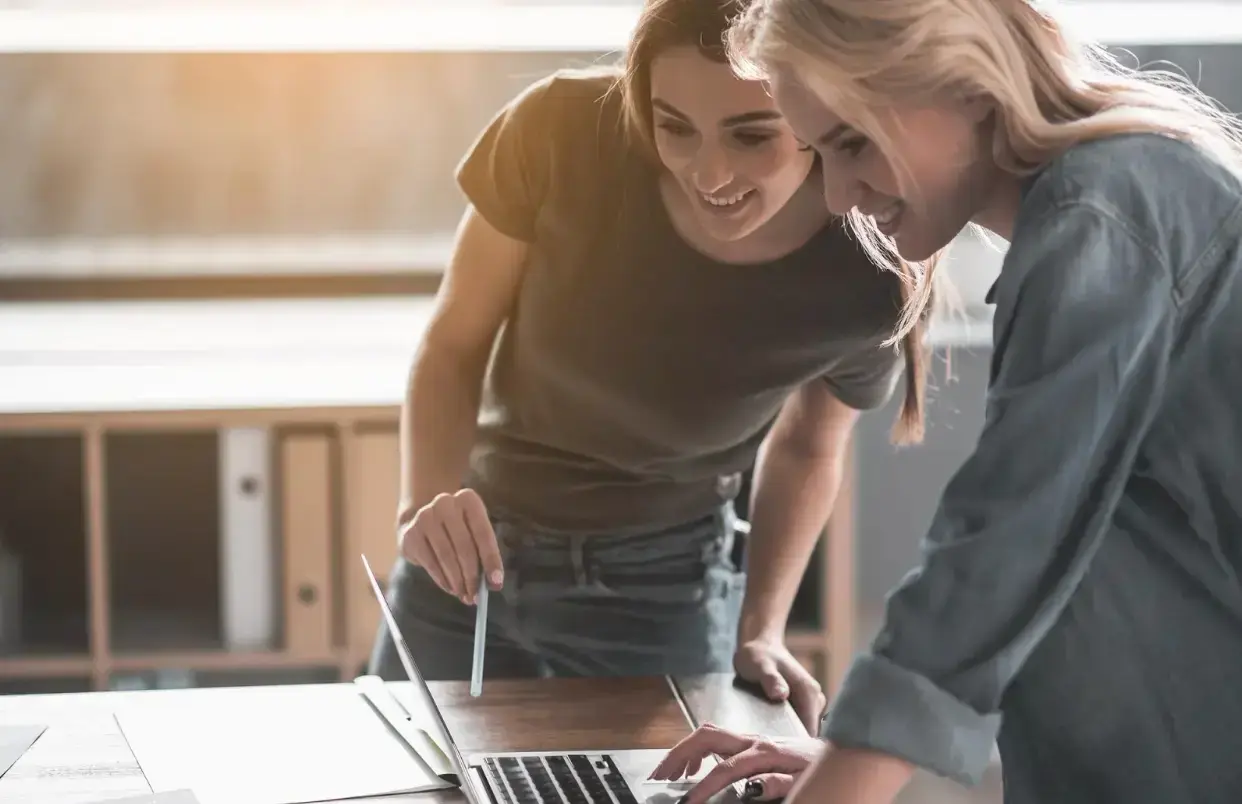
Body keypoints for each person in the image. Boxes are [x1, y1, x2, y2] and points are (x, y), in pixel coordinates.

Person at [651, 0, 1242, 802]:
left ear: (963, 80)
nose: (836, 196)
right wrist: (840, 767)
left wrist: (849, 778)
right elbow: (1081, 607)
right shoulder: (1091, 214)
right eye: (820, 155)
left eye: (852, 143)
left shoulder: (1106, 214)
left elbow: (998, 551)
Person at [367, 0, 929, 733]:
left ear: (820, 117)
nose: (709, 171)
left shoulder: (871, 270)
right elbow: (453, 344)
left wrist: (760, 627)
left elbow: (809, 446)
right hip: (469, 554)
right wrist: (424, 502)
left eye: (751, 134)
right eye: (675, 129)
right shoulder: (558, 130)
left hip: (661, 588)